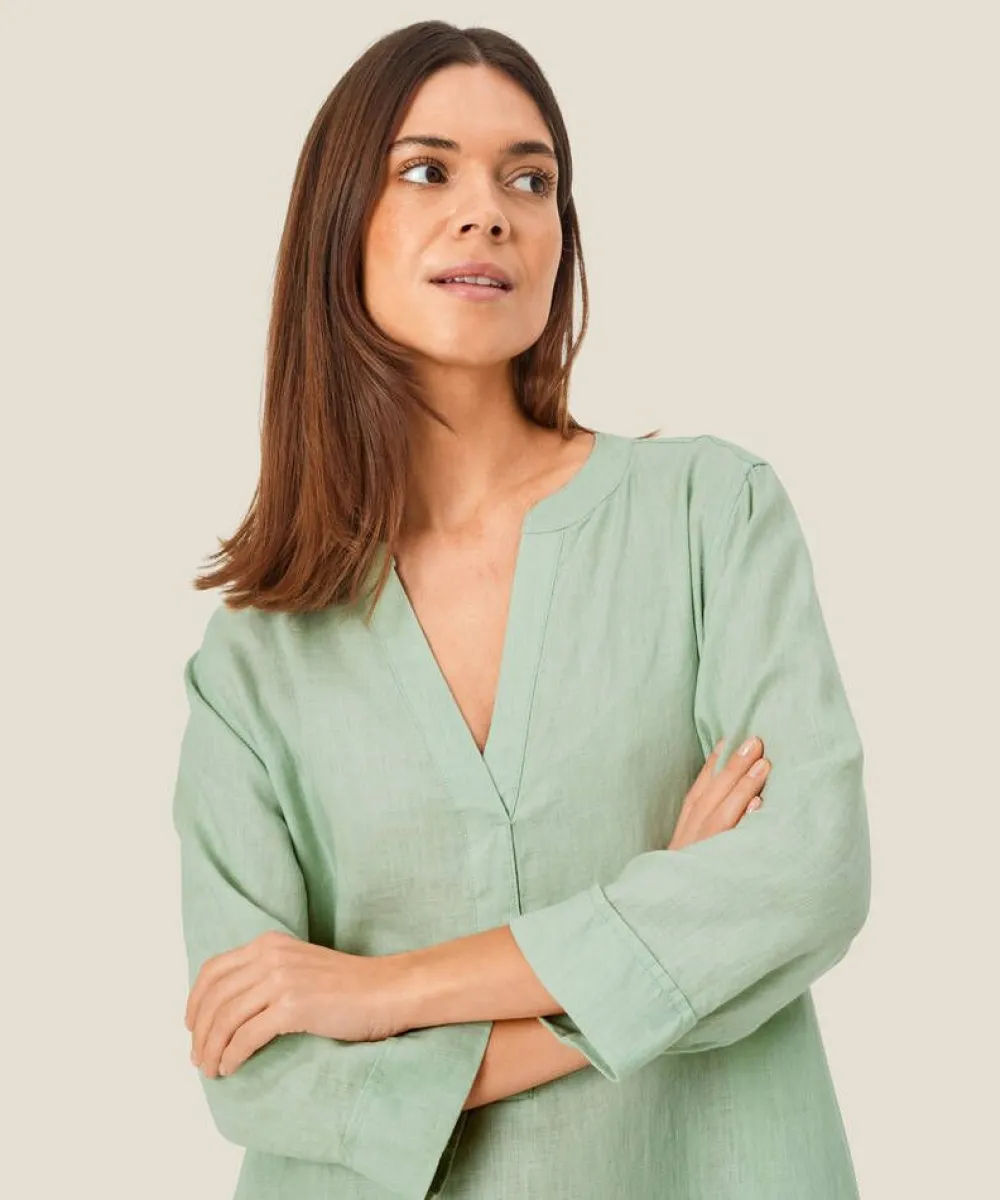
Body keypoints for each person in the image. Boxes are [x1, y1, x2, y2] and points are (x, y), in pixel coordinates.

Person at [171, 20, 872, 1200]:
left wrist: (383, 991)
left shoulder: (711, 515)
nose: (487, 212)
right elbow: (258, 1071)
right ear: (339, 222)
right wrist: (650, 950)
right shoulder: (256, 657)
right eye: (426, 170)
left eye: (529, 179)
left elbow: (807, 874)